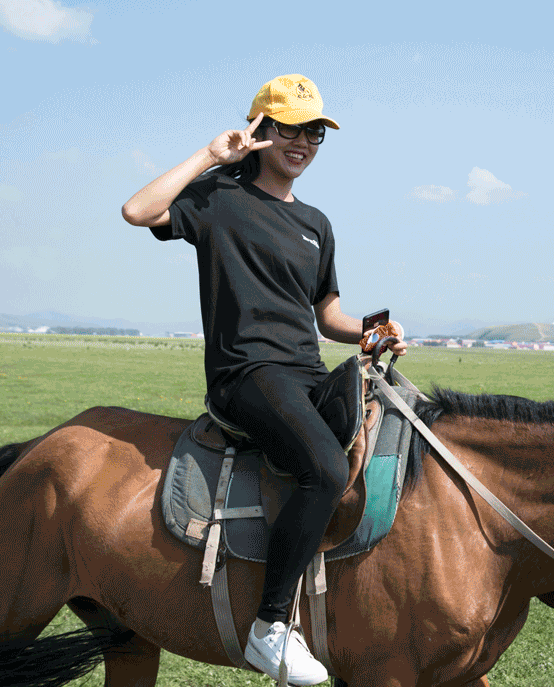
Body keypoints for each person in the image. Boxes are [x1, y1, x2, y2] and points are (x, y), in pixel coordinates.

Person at [122, 74, 405, 686]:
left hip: (306, 371)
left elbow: (328, 317)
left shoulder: (316, 223)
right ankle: (270, 627)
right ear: (258, 131)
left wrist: (378, 333)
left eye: (313, 133)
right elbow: (136, 211)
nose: (301, 142)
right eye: (287, 129)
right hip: (245, 374)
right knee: (325, 468)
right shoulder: (217, 195)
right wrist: (211, 155)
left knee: (399, 426)